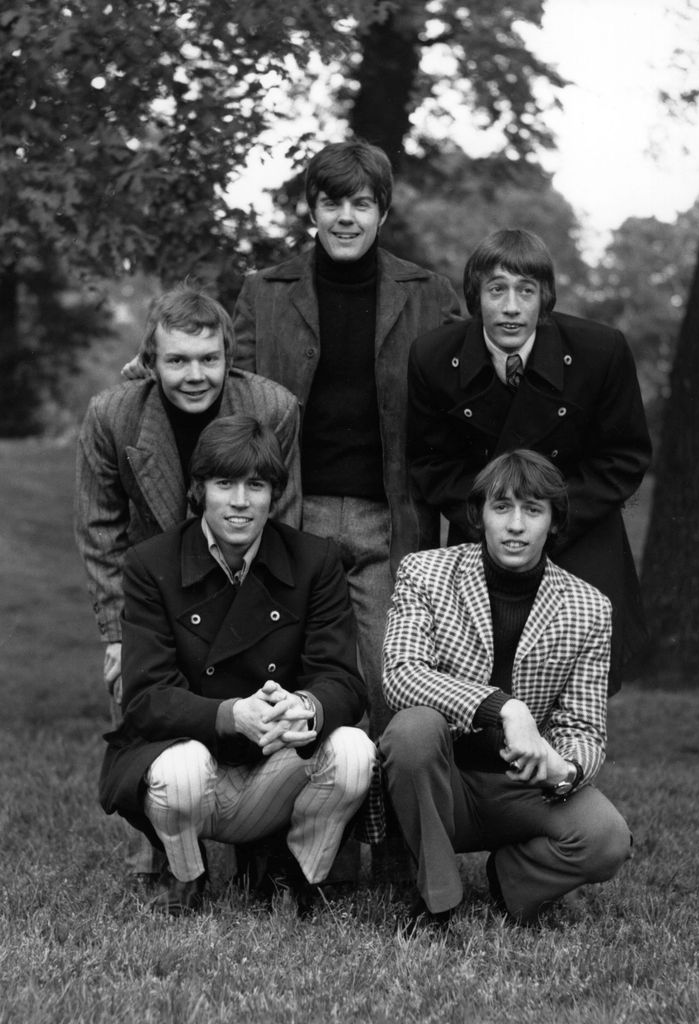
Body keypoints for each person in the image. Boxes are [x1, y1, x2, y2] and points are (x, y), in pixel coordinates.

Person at [98, 415, 375, 915]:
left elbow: (343, 682)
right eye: (224, 484)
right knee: (180, 771)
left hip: (275, 762)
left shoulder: (316, 561)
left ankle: (296, 875)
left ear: (275, 493)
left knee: (354, 750)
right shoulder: (150, 564)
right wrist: (230, 715)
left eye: (257, 485)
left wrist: (304, 707)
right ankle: (187, 876)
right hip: (192, 762)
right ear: (200, 490)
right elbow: (145, 699)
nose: (241, 501)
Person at [232, 138, 461, 737]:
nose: (345, 218)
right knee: (290, 675)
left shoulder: (429, 296)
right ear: (311, 208)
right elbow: (227, 399)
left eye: (361, 204)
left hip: (387, 520)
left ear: (382, 212)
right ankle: (299, 825)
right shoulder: (265, 292)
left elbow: (473, 394)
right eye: (331, 203)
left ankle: (388, 828)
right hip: (290, 514)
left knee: (393, 677)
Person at [75, 284, 301, 881]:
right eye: (177, 361)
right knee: (151, 714)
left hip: (246, 586)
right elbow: (101, 530)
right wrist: (115, 632)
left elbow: (283, 523)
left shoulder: (272, 408)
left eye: (208, 359)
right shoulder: (113, 416)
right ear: (151, 361)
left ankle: (263, 841)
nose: (194, 375)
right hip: (155, 590)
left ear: (230, 356)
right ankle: (162, 855)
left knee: (258, 707)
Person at [379, 450, 632, 931]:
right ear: (480, 516)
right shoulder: (425, 572)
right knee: (412, 728)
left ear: (553, 521)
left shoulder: (589, 607)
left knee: (607, 839)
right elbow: (401, 674)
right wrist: (503, 707)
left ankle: (510, 881)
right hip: (440, 781)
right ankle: (437, 901)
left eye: (532, 510)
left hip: (523, 790)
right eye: (502, 508)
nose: (516, 525)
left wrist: (566, 767)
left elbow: (584, 728)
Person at [407, 229, 652, 694]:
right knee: (476, 682)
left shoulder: (600, 352)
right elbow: (429, 463)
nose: (512, 307)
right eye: (497, 289)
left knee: (576, 690)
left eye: (526, 290)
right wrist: (492, 520)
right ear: (476, 297)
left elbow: (625, 456)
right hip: (482, 537)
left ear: (546, 298)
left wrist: (549, 518)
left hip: (575, 532)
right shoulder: (434, 358)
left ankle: (567, 767)